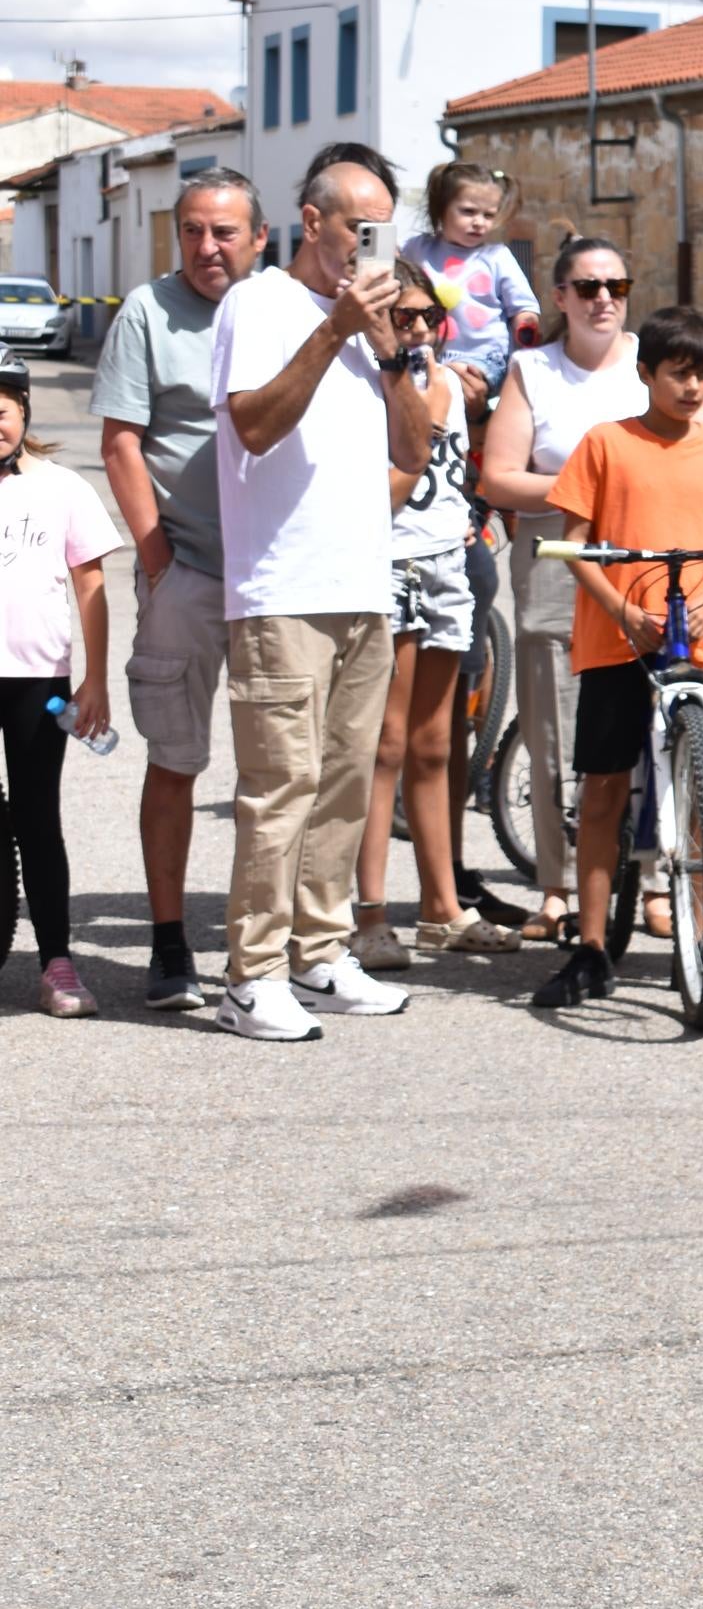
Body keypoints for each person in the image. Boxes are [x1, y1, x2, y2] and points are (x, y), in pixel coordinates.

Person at [207, 158, 435, 1042]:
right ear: (311, 221)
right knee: (282, 787)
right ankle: (252, 975)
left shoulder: (374, 327)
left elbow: (412, 453)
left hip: (361, 584)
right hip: (281, 590)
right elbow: (254, 426)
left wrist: (391, 353)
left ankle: (319, 953)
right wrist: (334, 332)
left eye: (381, 231)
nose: (367, 247)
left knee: (344, 783)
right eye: (355, 229)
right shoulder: (259, 304)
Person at [530, 307, 703, 1009]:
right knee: (604, 788)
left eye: (702, 374)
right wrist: (622, 612)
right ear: (645, 374)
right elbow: (576, 544)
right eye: (679, 373)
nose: (694, 387)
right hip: (619, 639)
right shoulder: (606, 443)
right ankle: (591, 947)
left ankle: (701, 938)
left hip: (701, 640)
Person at [92, 166, 259, 1010]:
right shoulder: (147, 312)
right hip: (186, 571)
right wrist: (158, 564)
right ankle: (168, 944)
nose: (206, 246)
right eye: (192, 230)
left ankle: (266, 950)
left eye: (224, 231)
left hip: (272, 580)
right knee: (175, 761)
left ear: (258, 237)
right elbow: (121, 442)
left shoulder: (279, 311)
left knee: (277, 774)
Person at [349, 261, 523, 972]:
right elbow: (386, 486)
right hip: (389, 565)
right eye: (404, 317)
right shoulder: (368, 384)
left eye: (430, 316)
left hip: (448, 564)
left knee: (435, 743)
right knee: (384, 743)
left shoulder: (450, 381)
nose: (420, 329)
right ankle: (368, 916)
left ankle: (441, 907)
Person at [478, 237, 646, 941]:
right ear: (560, 298)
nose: (603, 299)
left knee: (649, 724)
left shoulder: (650, 362)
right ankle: (559, 888)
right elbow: (497, 477)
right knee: (555, 727)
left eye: (616, 286)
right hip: (556, 555)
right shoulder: (533, 370)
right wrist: (589, 487)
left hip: (643, 554)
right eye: (587, 287)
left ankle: (651, 881)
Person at [0, 350, 118, 1017]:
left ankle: (57, 963)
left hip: (36, 678)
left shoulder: (61, 487)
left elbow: (91, 585)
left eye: (1, 411)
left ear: (23, 412)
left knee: (37, 816)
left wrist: (95, 680)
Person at [400, 161, 538, 409]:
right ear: (441, 208)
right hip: (428, 353)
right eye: (468, 212)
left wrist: (526, 329)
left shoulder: (497, 257)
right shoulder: (418, 249)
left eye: (488, 215)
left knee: (453, 383)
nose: (479, 222)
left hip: (484, 358)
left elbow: (523, 306)